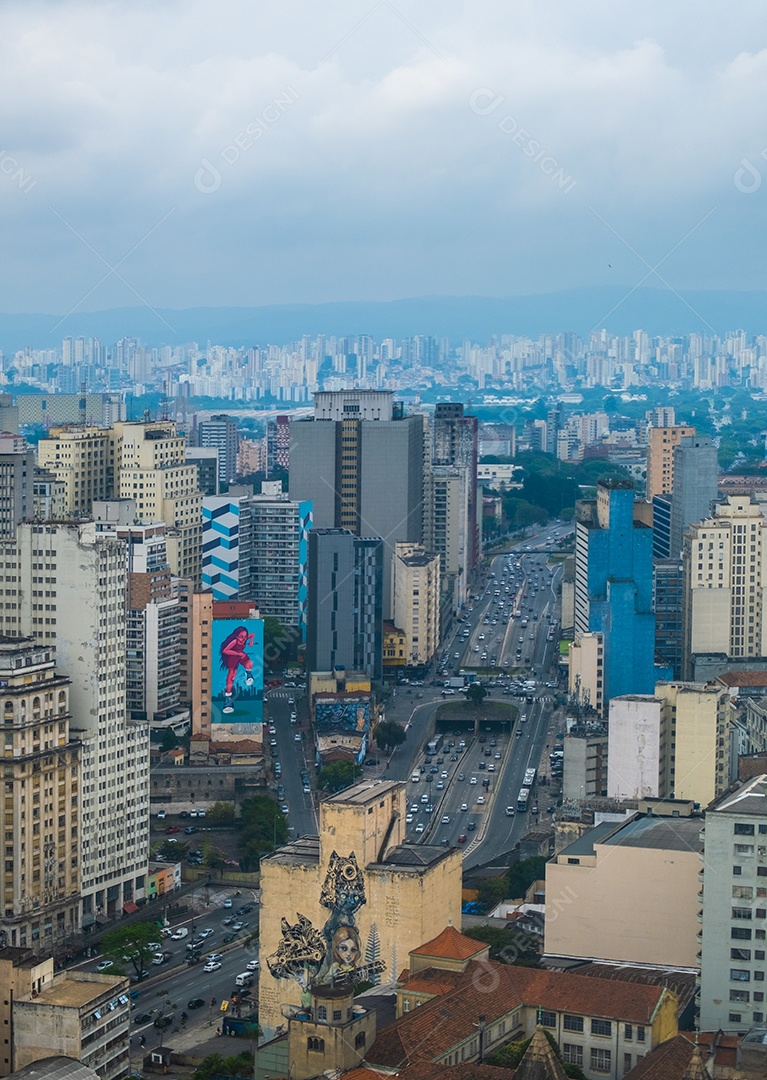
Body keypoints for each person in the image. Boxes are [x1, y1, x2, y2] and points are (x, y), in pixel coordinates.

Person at [219, 626, 256, 713]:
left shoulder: (245, 638)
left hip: (240, 654)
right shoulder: (234, 641)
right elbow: (225, 650)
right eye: (241, 637)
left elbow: (252, 635)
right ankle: (228, 698)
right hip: (233, 656)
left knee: (250, 664)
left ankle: (248, 674)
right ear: (236, 636)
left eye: (245, 637)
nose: (243, 639)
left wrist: (251, 642)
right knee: (232, 675)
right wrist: (237, 653)